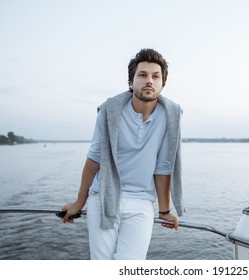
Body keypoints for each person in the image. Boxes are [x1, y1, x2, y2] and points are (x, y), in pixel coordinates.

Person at [60, 48, 185, 260]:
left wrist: (164, 210)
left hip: (142, 203)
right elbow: (94, 159)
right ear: (131, 81)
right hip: (104, 198)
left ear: (162, 83)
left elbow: (163, 166)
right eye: (142, 75)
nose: (149, 81)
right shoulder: (110, 110)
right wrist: (79, 202)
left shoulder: (170, 116)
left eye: (156, 76)